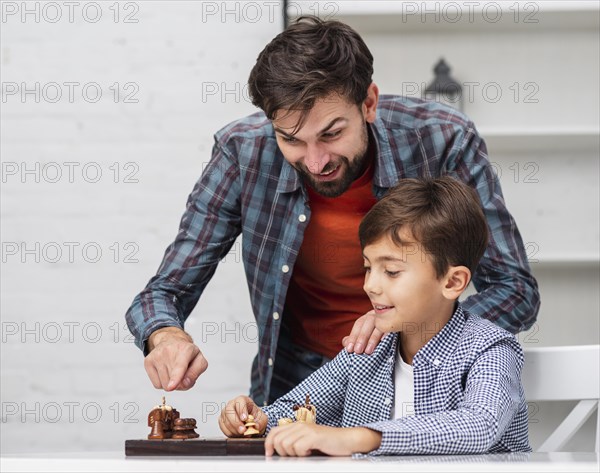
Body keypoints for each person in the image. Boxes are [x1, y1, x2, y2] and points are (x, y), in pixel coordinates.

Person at [125, 17, 540, 406]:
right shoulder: (242, 152)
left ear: (369, 103)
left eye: (333, 133)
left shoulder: (443, 139)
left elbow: (515, 289)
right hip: (296, 384)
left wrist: (413, 327)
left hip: (419, 376)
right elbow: (164, 292)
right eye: (292, 140)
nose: (316, 161)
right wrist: (165, 336)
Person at [219, 176, 531, 457]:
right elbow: (294, 410)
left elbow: (478, 425)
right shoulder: (367, 349)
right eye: (368, 268)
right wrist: (255, 419)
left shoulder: (489, 350)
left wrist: (358, 438)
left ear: (452, 282)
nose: (370, 285)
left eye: (392, 272)